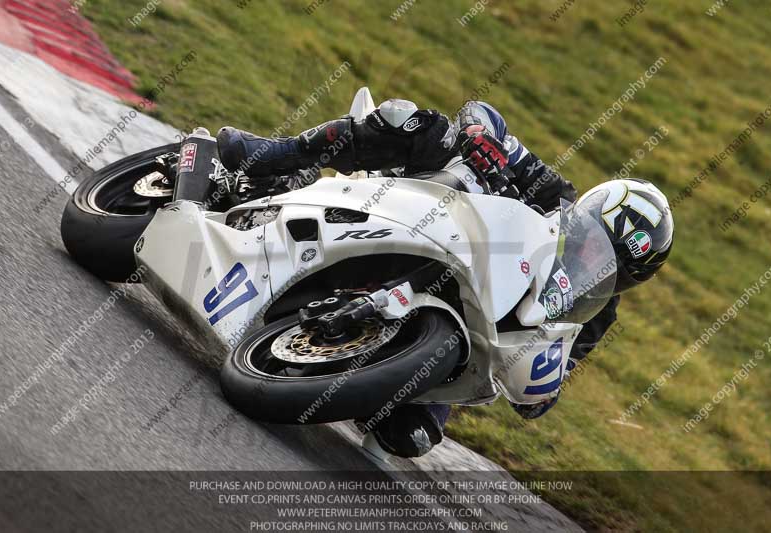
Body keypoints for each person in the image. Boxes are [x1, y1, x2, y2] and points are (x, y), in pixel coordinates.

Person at [215, 99, 674, 458]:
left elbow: (542, 394)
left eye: (615, 267)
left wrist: (541, 387)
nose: (597, 261)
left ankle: (344, 356)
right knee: (422, 125)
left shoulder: (596, 313)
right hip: (426, 221)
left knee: (409, 436)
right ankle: (276, 157)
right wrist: (479, 137)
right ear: (586, 214)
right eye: (597, 243)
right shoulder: (553, 195)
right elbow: (484, 115)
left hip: (464, 342)